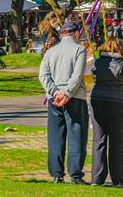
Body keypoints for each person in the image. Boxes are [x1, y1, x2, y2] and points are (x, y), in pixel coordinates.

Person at [38, 21, 89, 185]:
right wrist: (67, 93)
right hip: (74, 97)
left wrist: (54, 92)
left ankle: (56, 174)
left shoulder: (50, 52)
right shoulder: (79, 50)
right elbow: (78, 74)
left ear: (62, 34)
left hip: (54, 98)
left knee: (55, 136)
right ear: (76, 34)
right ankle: (75, 174)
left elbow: (43, 76)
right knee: (76, 136)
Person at [90, 37, 123, 186]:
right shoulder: (122, 65)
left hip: (97, 100)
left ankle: (97, 178)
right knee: (116, 141)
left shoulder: (96, 63)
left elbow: (93, 76)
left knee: (99, 140)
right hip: (115, 102)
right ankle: (117, 179)